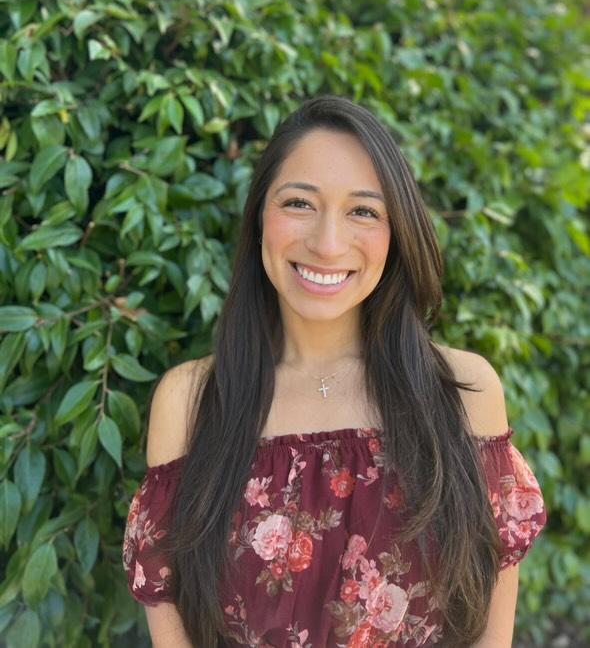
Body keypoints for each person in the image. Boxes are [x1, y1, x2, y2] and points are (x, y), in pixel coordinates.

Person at [122, 96, 547, 647]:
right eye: (299, 203)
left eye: (363, 211)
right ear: (259, 216)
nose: (327, 244)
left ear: (397, 232)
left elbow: (489, 631)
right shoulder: (191, 402)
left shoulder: (463, 394)